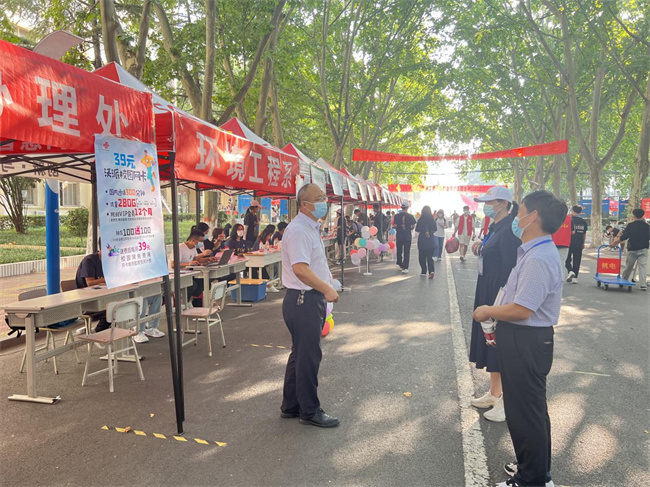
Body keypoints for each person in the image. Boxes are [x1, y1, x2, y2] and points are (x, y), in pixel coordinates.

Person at [473, 190, 567, 487]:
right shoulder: (533, 252)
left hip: (527, 340)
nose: (516, 217)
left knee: (526, 411)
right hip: (522, 339)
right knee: (529, 409)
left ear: (533, 216)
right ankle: (534, 467)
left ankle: (532, 479)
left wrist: (488, 310)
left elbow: (522, 309)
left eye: (520, 211)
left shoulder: (538, 258)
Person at [280, 183, 340, 428]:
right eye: (319, 198)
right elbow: (300, 269)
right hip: (304, 299)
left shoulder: (310, 227)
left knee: (300, 354)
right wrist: (326, 288)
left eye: (324, 197)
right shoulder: (300, 230)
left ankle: (291, 405)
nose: (324, 202)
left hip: (305, 299)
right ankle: (309, 410)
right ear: (305, 204)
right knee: (308, 357)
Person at [468, 186, 521, 423]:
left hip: (498, 294)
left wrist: (503, 302)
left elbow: (511, 269)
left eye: (489, 202)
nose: (485, 206)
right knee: (491, 342)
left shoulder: (509, 230)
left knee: (500, 344)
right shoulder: (495, 227)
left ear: (503, 203)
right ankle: (494, 393)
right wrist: (481, 246)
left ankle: (506, 402)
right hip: (487, 289)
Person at [75, 246, 110, 332]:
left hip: (102, 297)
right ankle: (98, 332)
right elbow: (90, 283)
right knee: (111, 311)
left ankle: (102, 330)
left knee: (119, 306)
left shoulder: (110, 261)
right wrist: (108, 279)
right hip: (86, 301)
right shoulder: (89, 261)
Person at [612, 208, 649, 290]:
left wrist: (614, 243)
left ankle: (624, 281)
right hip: (644, 248)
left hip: (632, 248)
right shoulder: (647, 226)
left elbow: (624, 237)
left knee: (629, 266)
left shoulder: (630, 225)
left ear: (634, 215)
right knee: (642, 267)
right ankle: (643, 285)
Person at [169, 229, 206, 306]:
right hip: (177, 274)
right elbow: (173, 264)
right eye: (200, 241)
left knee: (202, 282)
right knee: (192, 285)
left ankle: (189, 301)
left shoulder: (193, 248)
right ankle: (183, 303)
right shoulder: (180, 248)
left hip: (188, 273)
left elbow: (196, 259)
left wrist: (208, 259)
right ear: (194, 240)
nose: (201, 243)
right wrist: (188, 263)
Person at [565, 205, 588, 283]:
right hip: (579, 243)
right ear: (580, 212)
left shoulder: (569, 220)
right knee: (577, 260)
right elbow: (584, 234)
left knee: (566, 259)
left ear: (572, 210)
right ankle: (575, 277)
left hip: (569, 243)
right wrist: (583, 243)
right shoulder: (583, 222)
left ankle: (570, 271)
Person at [393, 202, 417, 273]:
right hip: (407, 236)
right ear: (407, 208)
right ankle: (405, 267)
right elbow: (413, 225)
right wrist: (409, 228)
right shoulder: (410, 216)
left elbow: (395, 225)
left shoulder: (396, 216)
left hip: (399, 236)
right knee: (406, 252)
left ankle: (400, 264)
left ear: (401, 207)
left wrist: (399, 228)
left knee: (399, 251)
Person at [415, 205, 436, 278]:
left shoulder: (421, 219)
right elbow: (435, 229)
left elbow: (417, 230)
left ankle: (424, 271)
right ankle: (431, 271)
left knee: (422, 256)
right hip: (430, 240)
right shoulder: (432, 219)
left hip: (422, 240)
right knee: (430, 257)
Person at [552, 212, 572, 277]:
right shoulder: (569, 219)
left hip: (553, 243)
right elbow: (573, 231)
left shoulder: (553, 218)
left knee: (553, 261)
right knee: (562, 262)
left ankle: (553, 277)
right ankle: (561, 278)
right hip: (565, 243)